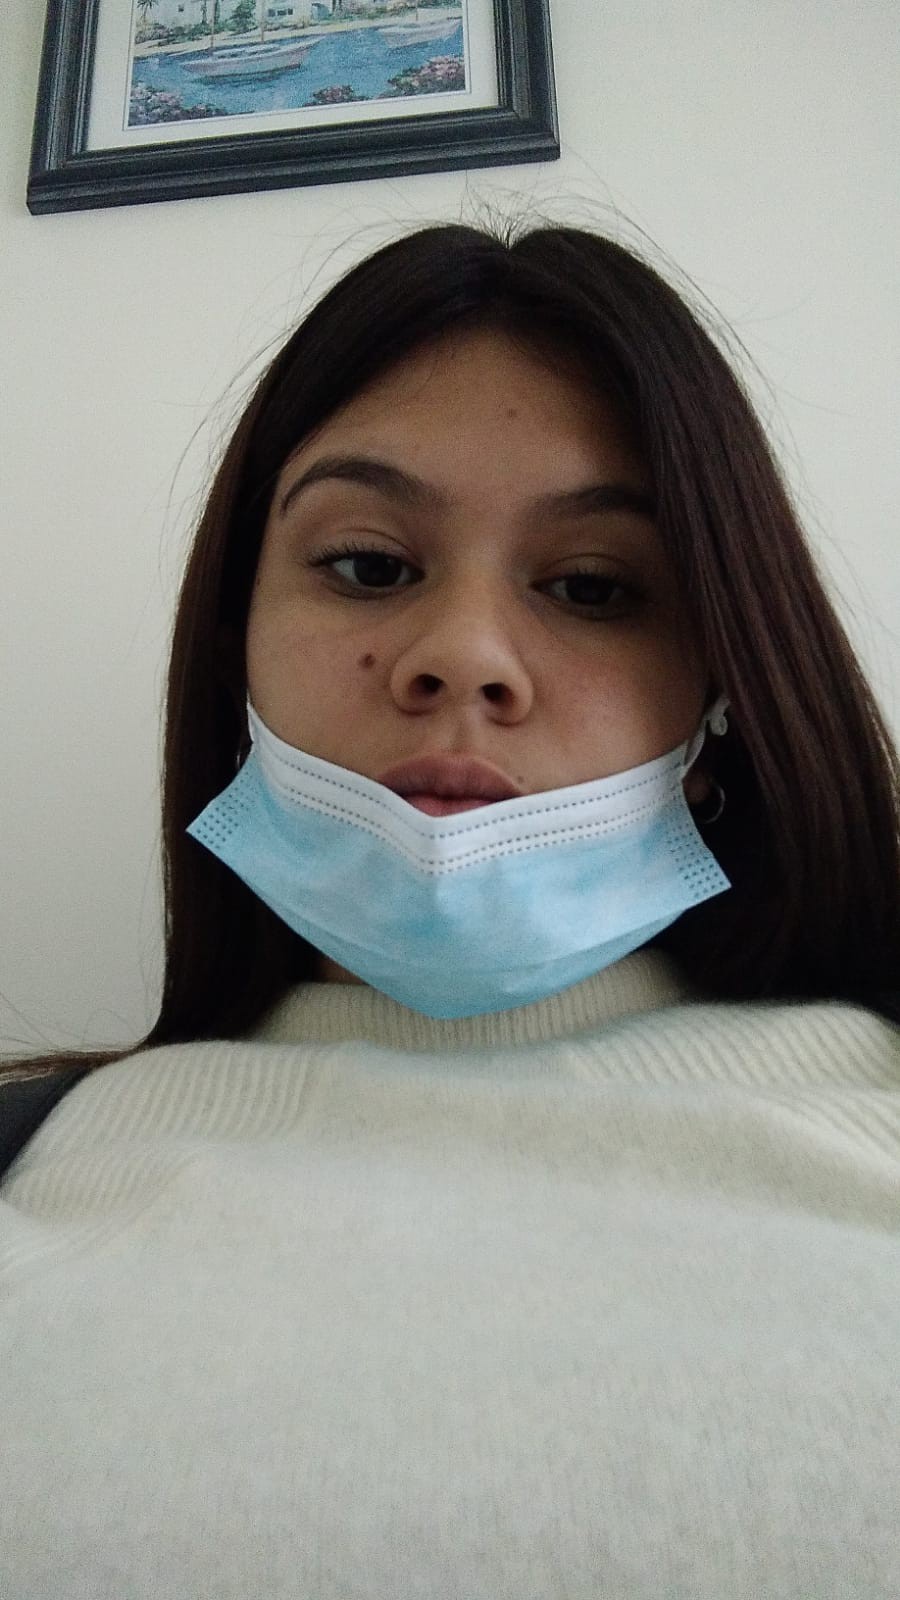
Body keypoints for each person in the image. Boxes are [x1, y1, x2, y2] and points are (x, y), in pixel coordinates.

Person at [2, 221, 898, 1598]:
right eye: (370, 566)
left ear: (723, 701)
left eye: (592, 587)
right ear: (234, 654)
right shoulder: (31, 1166)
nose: (465, 657)